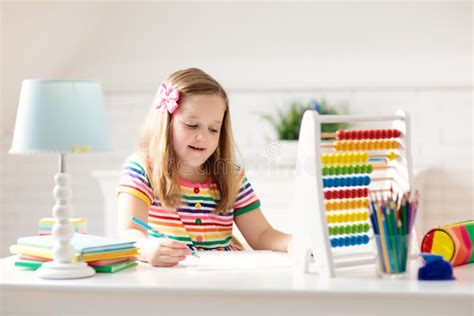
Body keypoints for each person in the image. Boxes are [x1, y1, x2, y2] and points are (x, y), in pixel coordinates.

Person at [117, 68, 291, 267]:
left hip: (225, 275)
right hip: (171, 276)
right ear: (166, 122)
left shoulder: (230, 175)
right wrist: (147, 249)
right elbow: (128, 232)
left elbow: (261, 234)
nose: (203, 137)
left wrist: (291, 242)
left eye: (213, 129)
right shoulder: (142, 169)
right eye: (192, 125)